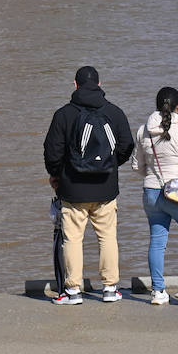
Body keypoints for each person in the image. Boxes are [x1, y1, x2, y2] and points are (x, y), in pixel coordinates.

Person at [42, 65, 135, 305]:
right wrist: (111, 166)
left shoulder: (63, 114)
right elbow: (127, 145)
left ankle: (73, 291)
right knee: (107, 237)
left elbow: (52, 151)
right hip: (105, 188)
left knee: (72, 239)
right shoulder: (114, 113)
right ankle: (110, 288)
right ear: (100, 84)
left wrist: (56, 176)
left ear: (75, 85)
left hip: (72, 189)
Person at [133, 86, 178, 305]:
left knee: (157, 242)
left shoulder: (143, 130)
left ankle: (158, 291)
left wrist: (154, 177)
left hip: (152, 192)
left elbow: (137, 166)